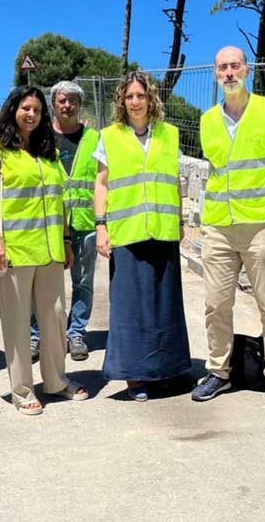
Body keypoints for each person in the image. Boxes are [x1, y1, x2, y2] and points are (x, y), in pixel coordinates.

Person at [191, 46, 265, 410]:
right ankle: (219, 372)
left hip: (263, 224)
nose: (229, 73)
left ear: (247, 70)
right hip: (220, 226)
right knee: (216, 304)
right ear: (216, 74)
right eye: (223, 68)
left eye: (235, 66)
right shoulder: (207, 120)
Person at [0, 85, 89, 415]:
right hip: (14, 250)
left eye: (37, 110)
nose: (31, 114)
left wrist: (67, 240)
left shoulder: (47, 150)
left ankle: (55, 380)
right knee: (17, 322)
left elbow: (59, 200)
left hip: (51, 249)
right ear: (13, 109)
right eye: (26, 108)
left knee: (54, 319)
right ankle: (22, 389)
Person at [94, 71, 192, 402]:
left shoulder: (170, 134)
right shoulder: (109, 136)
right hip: (127, 232)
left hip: (163, 230)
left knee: (166, 305)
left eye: (141, 95)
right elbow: (102, 183)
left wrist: (179, 221)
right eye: (129, 96)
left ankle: (168, 370)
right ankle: (134, 375)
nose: (135, 102)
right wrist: (101, 225)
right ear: (121, 101)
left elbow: (176, 180)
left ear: (151, 99)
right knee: (129, 308)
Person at [30, 81, 99, 363]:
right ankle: (37, 335)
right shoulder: (40, 137)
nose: (67, 105)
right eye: (61, 100)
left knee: (82, 282)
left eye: (72, 100)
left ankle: (76, 332)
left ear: (79, 105)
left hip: (85, 223)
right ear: (53, 105)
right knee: (41, 284)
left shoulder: (95, 138)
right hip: (49, 224)